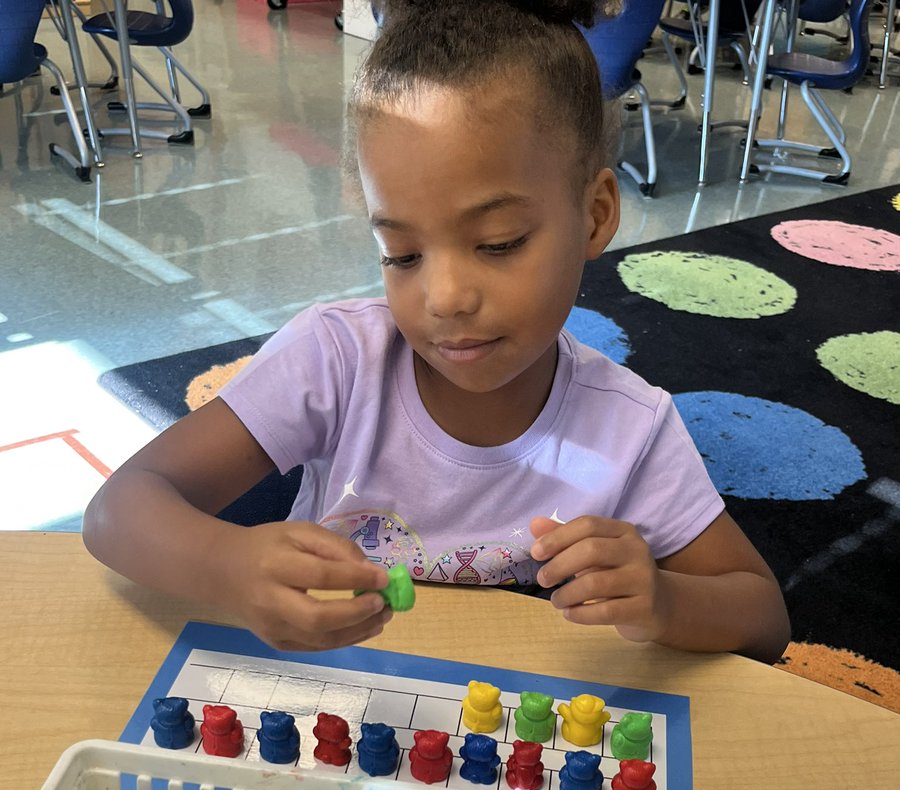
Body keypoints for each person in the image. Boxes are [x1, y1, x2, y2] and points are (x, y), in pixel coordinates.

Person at [82, 0, 790, 664]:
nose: (445, 297)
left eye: (500, 241)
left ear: (598, 214)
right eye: (403, 255)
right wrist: (227, 566)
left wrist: (663, 601)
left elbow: (763, 618)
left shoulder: (630, 430)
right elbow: (121, 509)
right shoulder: (337, 359)